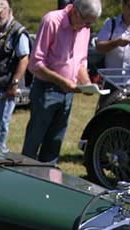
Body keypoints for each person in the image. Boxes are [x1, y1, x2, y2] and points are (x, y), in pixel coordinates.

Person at [21, 0, 102, 164]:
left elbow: (81, 61)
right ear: (75, 12)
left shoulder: (84, 28)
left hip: (68, 93)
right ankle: (25, 180)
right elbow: (35, 64)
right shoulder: (52, 21)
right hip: (46, 90)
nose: (87, 27)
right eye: (86, 22)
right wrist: (61, 81)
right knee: (33, 143)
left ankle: (48, 183)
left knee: (54, 144)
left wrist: (86, 83)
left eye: (90, 24)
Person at [0, 0, 30, 150]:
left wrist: (15, 83)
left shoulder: (18, 32)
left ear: (8, 10)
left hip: (6, 88)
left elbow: (24, 58)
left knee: (0, 127)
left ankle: (1, 156)